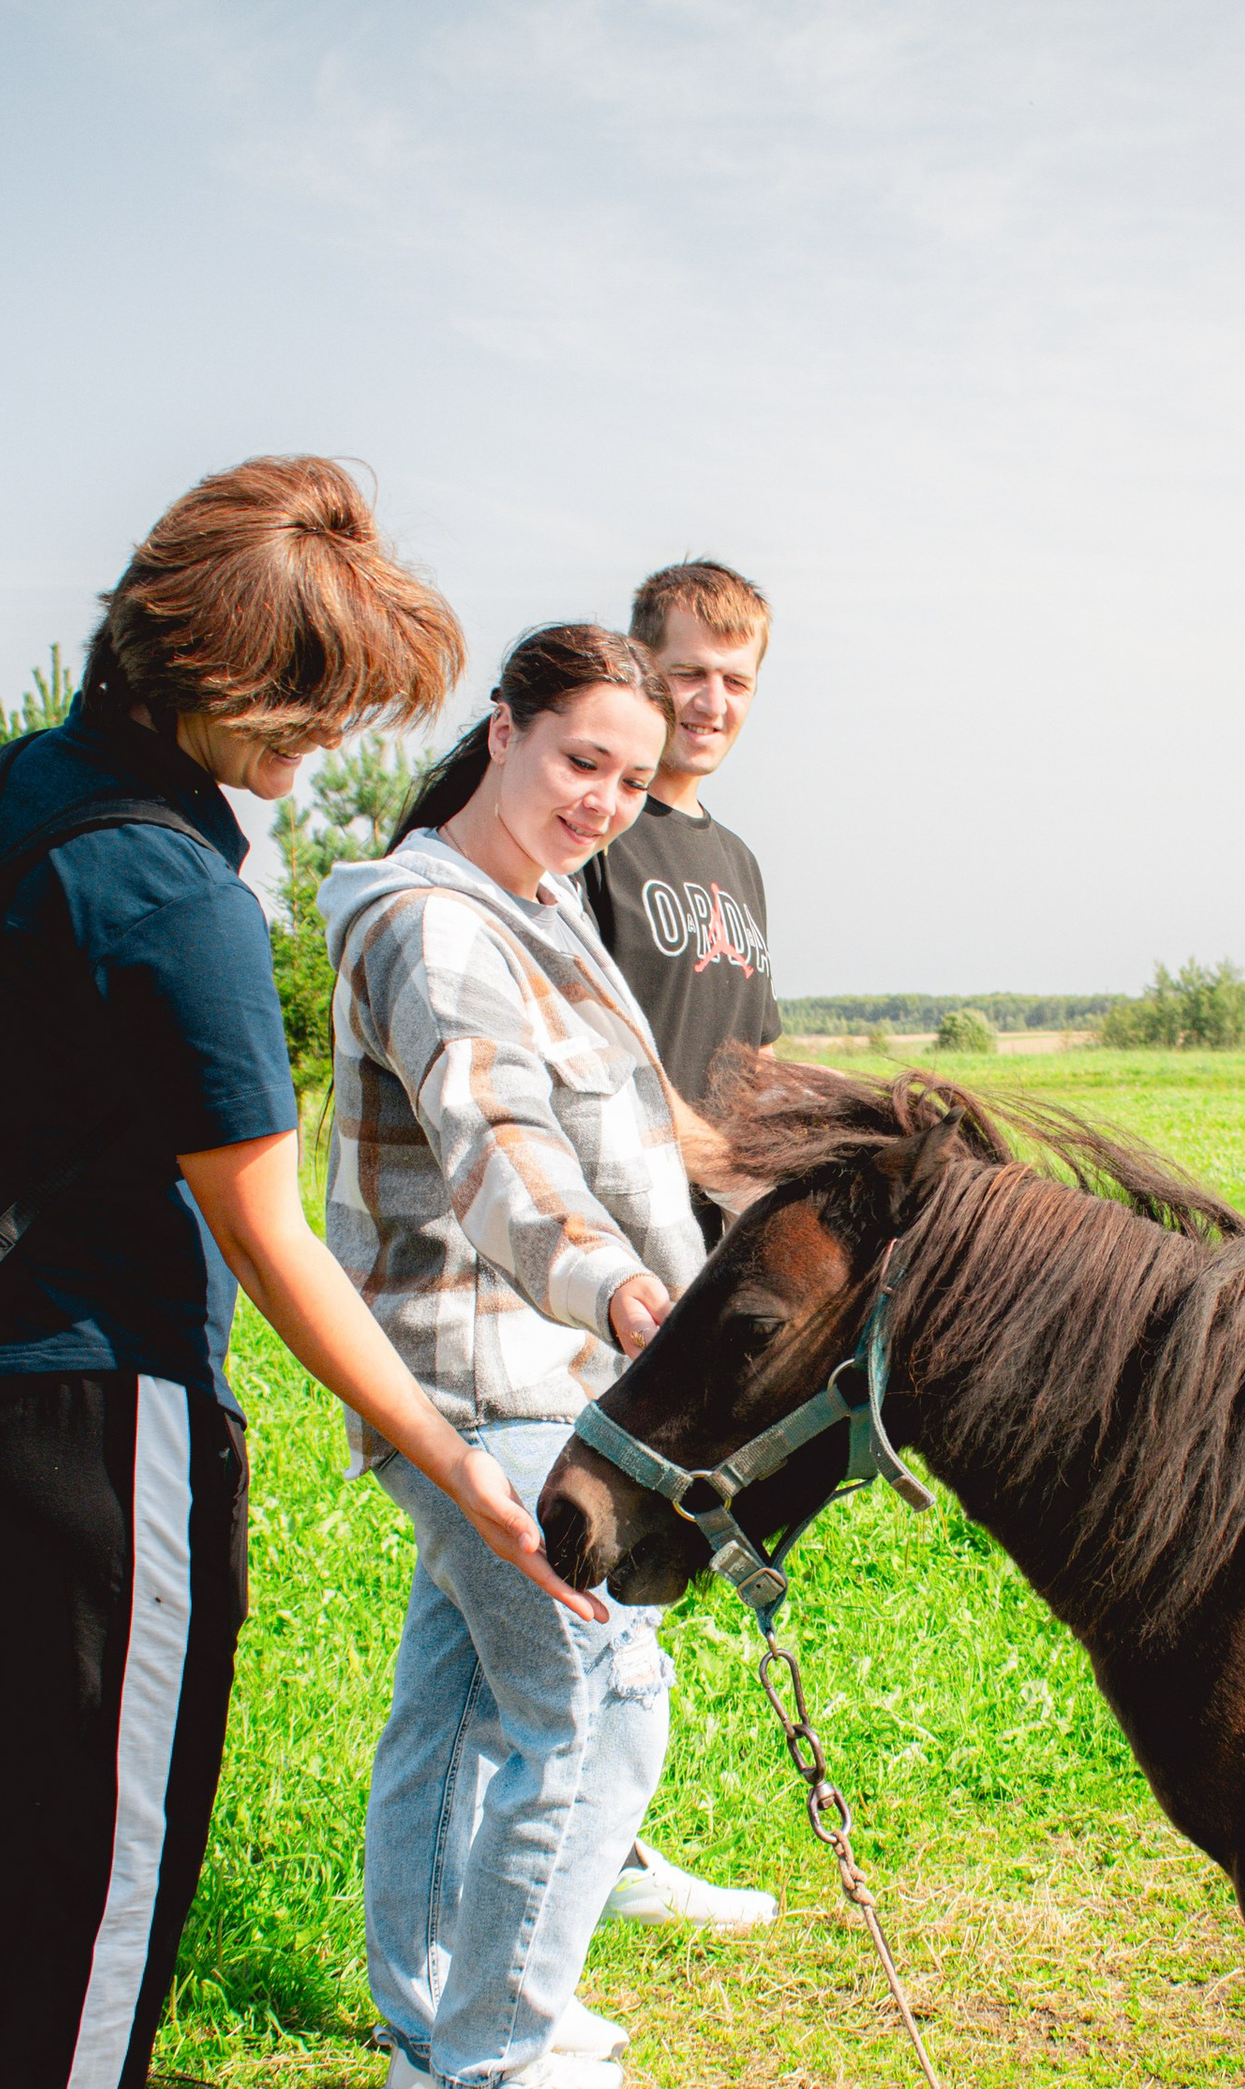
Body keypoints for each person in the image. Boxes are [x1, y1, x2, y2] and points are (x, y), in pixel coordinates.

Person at [0, 458, 595, 2089]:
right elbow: (270, 1244)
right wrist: (460, 1472)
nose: (324, 754)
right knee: (111, 1836)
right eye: (315, 716)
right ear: (231, 693)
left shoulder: (16, 791)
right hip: (100, 1407)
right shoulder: (176, 893)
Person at [322, 623, 734, 2089]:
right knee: (595, 1695)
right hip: (482, 1372)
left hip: (548, 1371)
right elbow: (496, 1141)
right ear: (501, 731)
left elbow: (634, 1128)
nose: (605, 800)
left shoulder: (539, 904)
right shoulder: (434, 926)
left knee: (456, 1700)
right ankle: (497, 2077)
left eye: (633, 780)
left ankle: (437, 2036)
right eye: (581, 762)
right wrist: (622, 1292)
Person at [578, 559, 782, 1932]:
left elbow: (751, 1050)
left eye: (737, 680)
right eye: (689, 672)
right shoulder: (603, 834)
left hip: (713, 1244)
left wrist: (779, 1176)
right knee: (588, 1526)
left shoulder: (734, 859)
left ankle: (608, 1836)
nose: (711, 703)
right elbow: (595, 1037)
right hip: (607, 1238)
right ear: (642, 667)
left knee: (660, 1539)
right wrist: (685, 1155)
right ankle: (574, 1842)